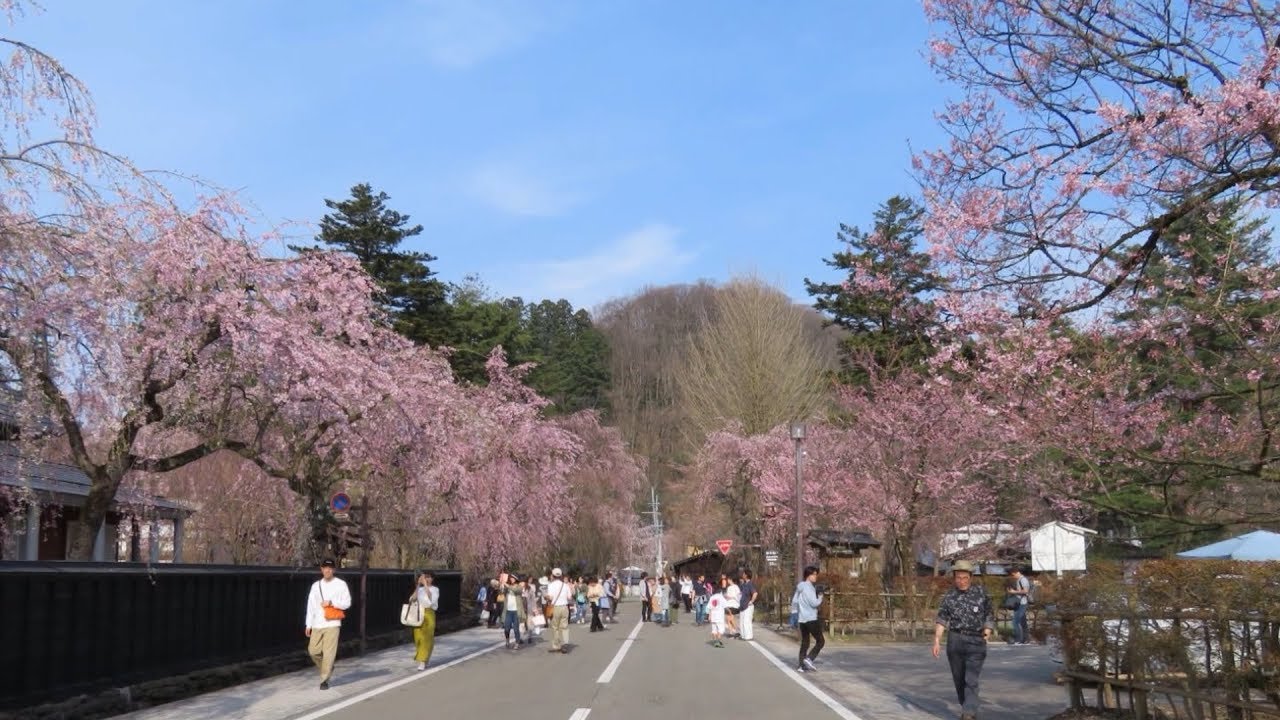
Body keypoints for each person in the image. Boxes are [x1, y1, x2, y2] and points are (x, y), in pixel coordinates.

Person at [933, 560, 995, 720]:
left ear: (971, 577)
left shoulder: (981, 593)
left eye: (965, 577)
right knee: (959, 678)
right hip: (955, 640)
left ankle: (968, 713)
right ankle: (967, 707)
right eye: (958, 578)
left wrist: (988, 629)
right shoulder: (950, 596)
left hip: (976, 640)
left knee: (971, 679)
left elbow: (989, 613)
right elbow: (942, 619)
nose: (961, 581)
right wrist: (937, 640)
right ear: (954, 578)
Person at [305, 559, 352, 690]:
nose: (327, 570)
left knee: (329, 653)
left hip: (333, 623)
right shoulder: (316, 586)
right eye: (325, 568)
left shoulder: (341, 584)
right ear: (321, 569)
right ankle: (328, 667)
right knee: (313, 651)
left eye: (330, 568)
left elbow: (347, 603)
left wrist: (332, 603)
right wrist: (308, 624)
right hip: (317, 623)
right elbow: (311, 606)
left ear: (334, 570)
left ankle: (324, 680)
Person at [793, 565, 824, 673]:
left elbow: (795, 601)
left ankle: (801, 665)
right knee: (821, 641)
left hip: (802, 619)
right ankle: (809, 659)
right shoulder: (809, 587)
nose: (815, 577)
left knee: (805, 642)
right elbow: (814, 603)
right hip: (811, 618)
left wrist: (794, 613)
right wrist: (820, 596)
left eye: (816, 574)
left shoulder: (800, 587)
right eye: (813, 574)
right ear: (808, 575)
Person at [409, 571, 440, 670]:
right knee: (418, 638)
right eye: (425, 577)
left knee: (427, 637)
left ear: (432, 579)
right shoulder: (420, 589)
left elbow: (431, 599)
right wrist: (418, 585)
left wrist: (425, 585)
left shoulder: (435, 589)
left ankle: (422, 661)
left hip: (429, 613)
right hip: (419, 613)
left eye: (428, 577)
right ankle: (425, 658)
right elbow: (412, 599)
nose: (426, 579)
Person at [544, 567, 572, 653]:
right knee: (564, 626)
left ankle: (556, 645)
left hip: (555, 607)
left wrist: (546, 597)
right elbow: (569, 597)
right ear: (561, 576)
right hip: (564, 607)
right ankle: (565, 644)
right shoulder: (565, 585)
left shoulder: (551, 585)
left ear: (553, 575)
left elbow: (550, 597)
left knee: (555, 627)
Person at [1009, 567, 1031, 645]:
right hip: (1020, 603)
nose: (1013, 577)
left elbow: (1025, 591)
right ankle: (1026, 639)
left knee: (1015, 622)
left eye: (1013, 575)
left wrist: (1014, 592)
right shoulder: (1019, 580)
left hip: (1022, 603)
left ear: (1017, 572)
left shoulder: (1023, 580)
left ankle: (1018, 640)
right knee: (1023, 622)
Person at [501, 574, 524, 649]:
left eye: (513, 578)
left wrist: (507, 585)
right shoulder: (507, 587)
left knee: (516, 628)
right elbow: (502, 591)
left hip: (516, 611)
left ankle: (517, 643)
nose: (511, 579)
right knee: (506, 628)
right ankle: (507, 639)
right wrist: (501, 584)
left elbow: (516, 591)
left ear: (516, 579)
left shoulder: (519, 587)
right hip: (508, 611)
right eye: (510, 578)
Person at [738, 570, 758, 640]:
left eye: (744, 574)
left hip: (748, 606)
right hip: (742, 606)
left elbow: (755, 593)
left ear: (746, 575)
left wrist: (751, 601)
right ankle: (743, 635)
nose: (742, 575)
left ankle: (748, 636)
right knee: (742, 622)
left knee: (746, 622)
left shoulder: (750, 584)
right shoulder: (743, 585)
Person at [707, 583, 727, 648]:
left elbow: (709, 607)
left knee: (714, 630)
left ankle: (715, 641)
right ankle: (717, 641)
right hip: (719, 616)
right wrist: (729, 612)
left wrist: (709, 616)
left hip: (713, 616)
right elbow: (725, 605)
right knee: (721, 630)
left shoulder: (712, 597)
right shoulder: (721, 597)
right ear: (720, 590)